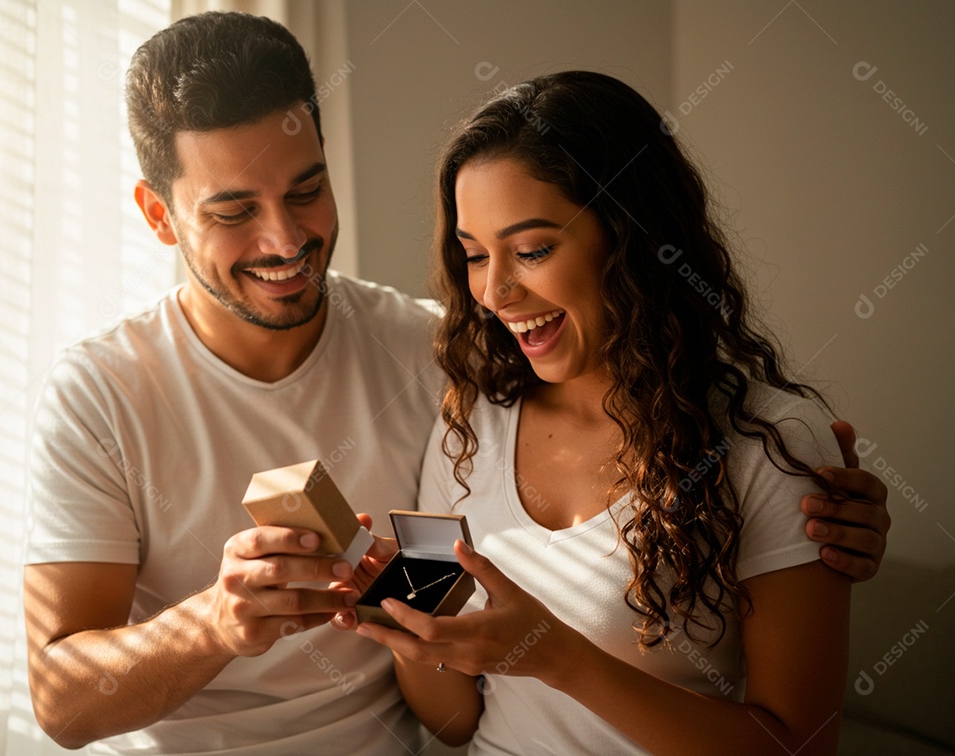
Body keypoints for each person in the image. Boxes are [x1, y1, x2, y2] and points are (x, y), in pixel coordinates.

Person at [21, 13, 888, 755]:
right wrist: (213, 623)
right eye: (234, 211)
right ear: (158, 213)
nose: (286, 239)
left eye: (308, 189)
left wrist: (810, 502)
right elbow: (59, 703)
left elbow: (675, 424)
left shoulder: (442, 362)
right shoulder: (101, 394)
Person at [353, 70, 879, 755]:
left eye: (533, 249)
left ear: (630, 235)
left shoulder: (768, 442)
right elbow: (454, 725)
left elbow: (799, 748)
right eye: (475, 255)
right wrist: (407, 622)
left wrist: (554, 656)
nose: (496, 291)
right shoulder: (471, 422)